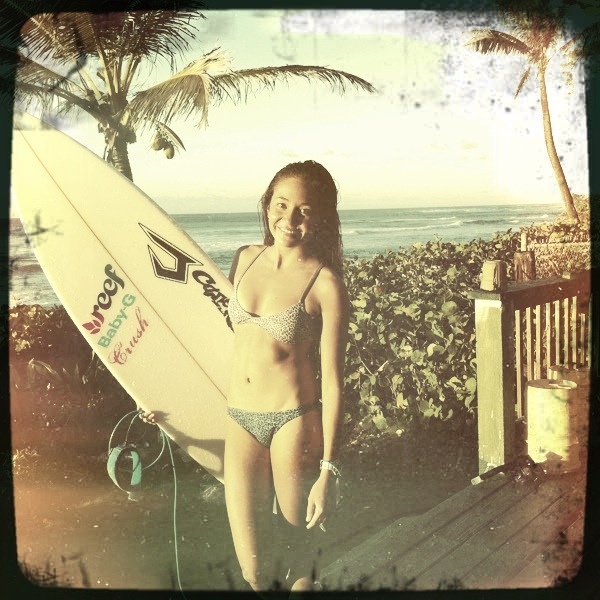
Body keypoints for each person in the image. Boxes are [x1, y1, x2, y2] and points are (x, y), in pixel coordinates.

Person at [143, 160, 348, 595]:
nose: (289, 219)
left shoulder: (325, 284)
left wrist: (328, 469)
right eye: (282, 205)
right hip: (240, 420)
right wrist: (163, 392)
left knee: (297, 557)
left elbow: (333, 383)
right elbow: (227, 344)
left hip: (294, 421)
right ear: (267, 204)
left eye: (305, 211)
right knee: (254, 571)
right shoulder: (244, 258)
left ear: (322, 218)